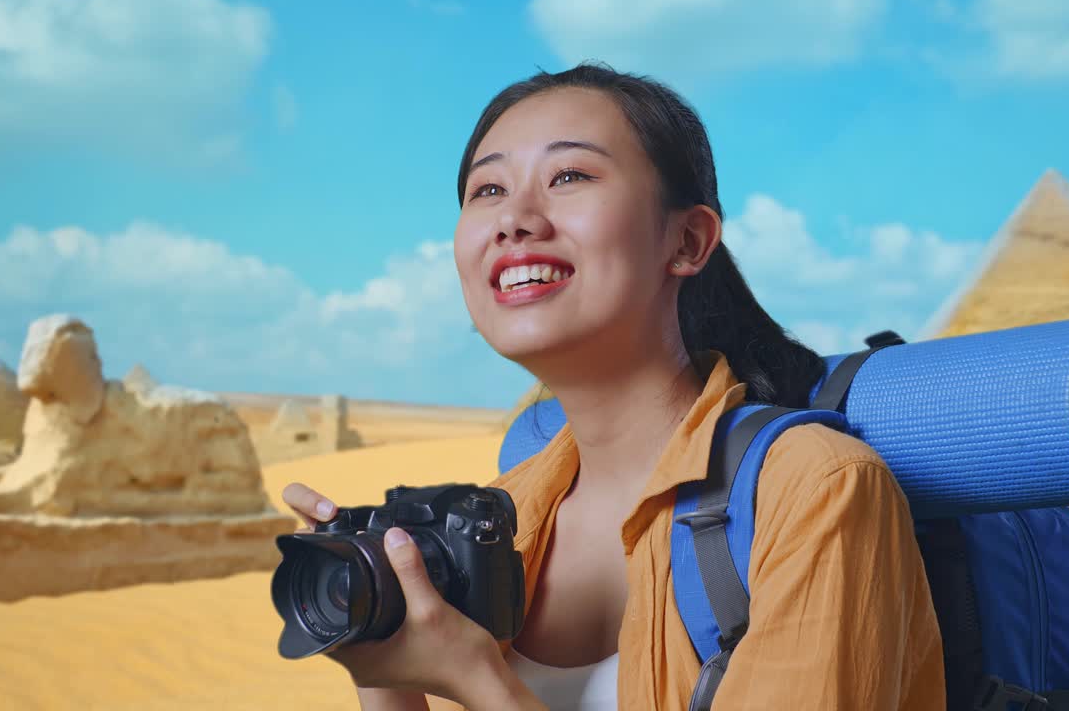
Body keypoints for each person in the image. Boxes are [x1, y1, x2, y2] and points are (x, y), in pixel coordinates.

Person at [281, 62, 945, 711]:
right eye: (488, 191)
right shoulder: (505, 514)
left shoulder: (814, 489)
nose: (515, 218)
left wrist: (477, 678)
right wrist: (379, 649)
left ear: (687, 240)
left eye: (569, 175)